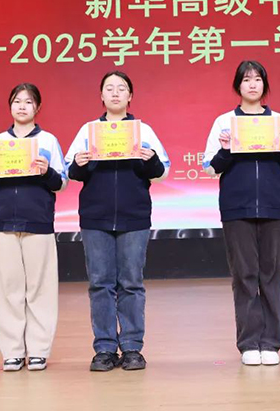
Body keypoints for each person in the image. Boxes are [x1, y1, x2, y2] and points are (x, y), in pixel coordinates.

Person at [64, 71, 170, 372]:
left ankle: (133, 347)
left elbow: (162, 170)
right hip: (95, 217)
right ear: (101, 95)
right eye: (109, 88)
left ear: (130, 96)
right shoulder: (88, 130)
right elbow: (71, 171)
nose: (115, 93)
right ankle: (105, 348)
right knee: (100, 284)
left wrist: (150, 158)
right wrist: (80, 163)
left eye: (121, 88)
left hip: (134, 216)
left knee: (132, 283)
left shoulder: (143, 130)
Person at [202, 60, 280, 367]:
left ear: (264, 84)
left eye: (258, 79)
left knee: (271, 275)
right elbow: (210, 167)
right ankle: (248, 343)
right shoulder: (224, 122)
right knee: (244, 276)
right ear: (238, 86)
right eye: (246, 80)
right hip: (237, 208)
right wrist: (225, 148)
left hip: (274, 206)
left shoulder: (279, 120)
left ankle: (270, 343)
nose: (253, 84)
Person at [0, 83, 68, 372]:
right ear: (10, 106)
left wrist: (46, 171)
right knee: (7, 289)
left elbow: (62, 182)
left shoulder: (48, 141)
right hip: (1, 224)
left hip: (38, 222)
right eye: (17, 101)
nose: (22, 106)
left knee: (40, 288)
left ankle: (38, 350)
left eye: (28, 102)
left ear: (37, 107)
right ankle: (12, 351)